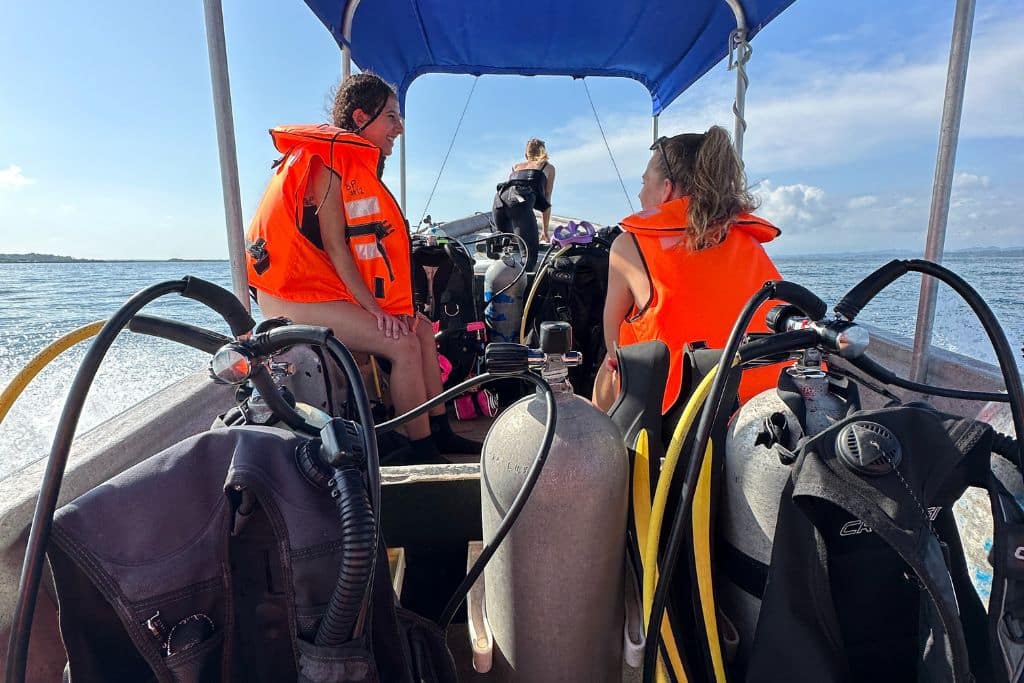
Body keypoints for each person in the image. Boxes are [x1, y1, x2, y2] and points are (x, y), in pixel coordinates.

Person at [245, 73, 480, 462]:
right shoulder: (327, 163)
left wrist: (391, 310)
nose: (399, 128)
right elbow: (337, 248)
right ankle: (422, 451)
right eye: (391, 116)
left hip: (318, 287)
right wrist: (375, 312)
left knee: (418, 328)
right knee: (401, 343)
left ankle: (440, 431)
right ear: (360, 117)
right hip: (290, 295)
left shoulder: (346, 161)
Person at [592, 125, 783, 414]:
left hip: (681, 418)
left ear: (666, 189)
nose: (641, 194)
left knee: (606, 372)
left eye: (645, 183)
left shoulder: (629, 245)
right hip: (768, 406)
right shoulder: (749, 241)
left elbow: (613, 345)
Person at [492, 138, 556, 271]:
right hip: (519, 204)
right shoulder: (548, 167)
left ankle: (497, 247)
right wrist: (544, 231)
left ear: (526, 154)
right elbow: (547, 199)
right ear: (544, 152)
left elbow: (512, 191)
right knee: (528, 258)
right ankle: (521, 289)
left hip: (499, 201)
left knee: (505, 248)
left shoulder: (516, 167)